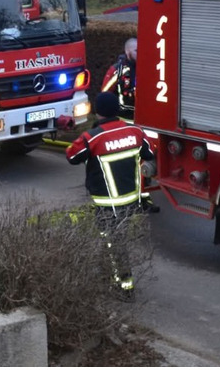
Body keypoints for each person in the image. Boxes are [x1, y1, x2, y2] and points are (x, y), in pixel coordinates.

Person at [65, 91, 154, 292]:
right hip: (132, 200)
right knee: (112, 240)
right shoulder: (136, 132)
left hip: (108, 203)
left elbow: (72, 156)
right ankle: (107, 273)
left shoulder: (92, 137)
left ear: (98, 112)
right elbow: (149, 153)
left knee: (114, 242)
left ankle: (124, 288)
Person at [101, 37, 137, 121]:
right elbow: (105, 93)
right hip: (122, 118)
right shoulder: (117, 70)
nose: (140, 54)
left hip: (143, 118)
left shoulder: (145, 67)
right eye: (136, 51)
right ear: (127, 52)